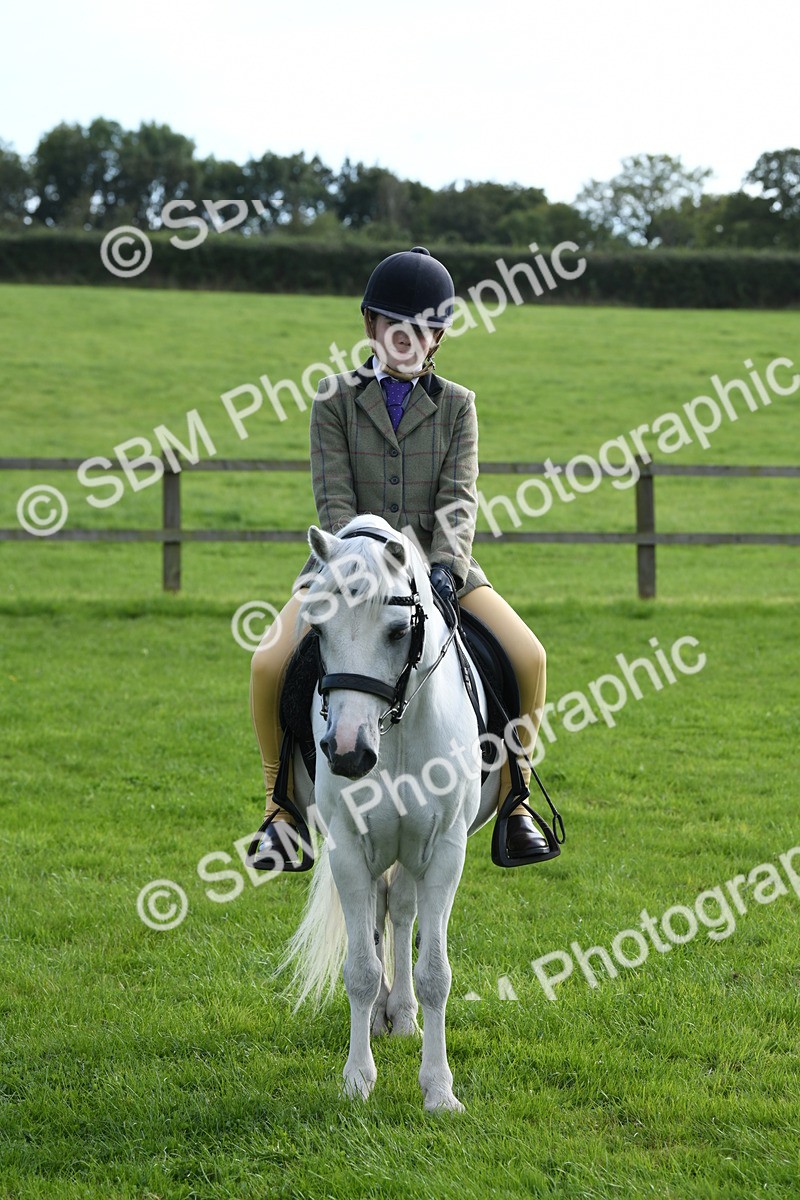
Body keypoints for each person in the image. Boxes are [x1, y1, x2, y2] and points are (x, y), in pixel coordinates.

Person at [250, 246, 548, 867]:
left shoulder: (458, 406)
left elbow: (459, 499)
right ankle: (280, 807)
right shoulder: (333, 401)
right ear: (371, 327)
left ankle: (517, 797)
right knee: (267, 663)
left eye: (421, 329)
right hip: (344, 569)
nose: (406, 339)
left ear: (437, 337)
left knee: (528, 655)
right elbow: (334, 503)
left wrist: (442, 569)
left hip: (442, 569)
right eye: (395, 326)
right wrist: (358, 565)